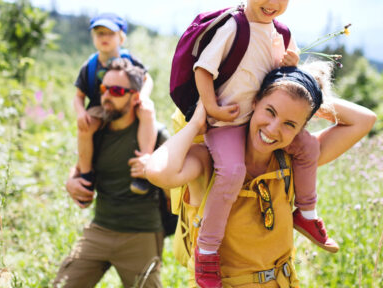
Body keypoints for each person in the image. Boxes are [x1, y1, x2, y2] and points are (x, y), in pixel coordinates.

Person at [146, 63, 376, 287]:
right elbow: (158, 172)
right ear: (253, 102)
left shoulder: (292, 162)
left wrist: (306, 95)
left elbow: (364, 120)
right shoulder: (210, 161)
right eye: (270, 111)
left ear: (300, 129)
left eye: (289, 123)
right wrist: (196, 123)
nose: (273, 128)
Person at [173, 1, 338, 285]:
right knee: (232, 172)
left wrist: (291, 65)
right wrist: (211, 108)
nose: (273, 4)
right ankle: (207, 249)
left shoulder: (282, 32)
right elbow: (203, 69)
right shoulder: (233, 27)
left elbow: (286, 74)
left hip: (258, 122)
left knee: (308, 146)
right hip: (227, 123)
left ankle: (307, 213)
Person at [54, 58, 169, 288]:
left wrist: (153, 172)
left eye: (116, 90)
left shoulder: (156, 134)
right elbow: (78, 168)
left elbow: (177, 189)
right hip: (100, 229)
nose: (106, 96)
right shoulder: (96, 130)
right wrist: (70, 183)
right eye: (104, 89)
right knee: (62, 285)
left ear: (135, 97)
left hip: (141, 234)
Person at [74, 13, 157, 197]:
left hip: (128, 102)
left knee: (147, 110)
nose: (104, 38)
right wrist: (81, 113)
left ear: (121, 37)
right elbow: (78, 96)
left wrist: (143, 96)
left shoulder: (130, 60)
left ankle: (143, 166)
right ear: (93, 37)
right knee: (84, 128)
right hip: (99, 107)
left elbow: (147, 79)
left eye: (110, 33)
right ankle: (86, 176)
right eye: (99, 33)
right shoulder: (90, 66)